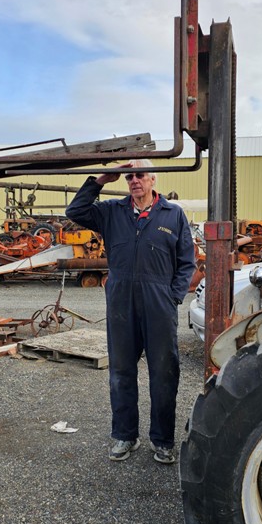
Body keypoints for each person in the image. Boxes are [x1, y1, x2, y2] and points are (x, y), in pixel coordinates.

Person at [66, 160, 195, 464]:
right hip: (122, 301)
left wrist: (172, 296)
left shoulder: (172, 214)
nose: (134, 180)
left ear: (153, 179)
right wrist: (99, 181)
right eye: (129, 177)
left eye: (139, 175)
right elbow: (75, 212)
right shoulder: (113, 211)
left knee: (164, 373)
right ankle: (125, 436)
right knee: (121, 372)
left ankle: (162, 441)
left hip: (158, 302)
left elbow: (187, 261)